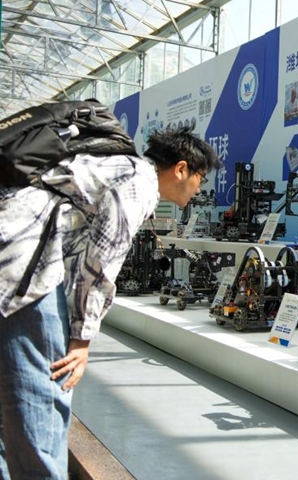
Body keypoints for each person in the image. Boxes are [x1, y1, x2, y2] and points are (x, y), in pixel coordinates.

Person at [0, 123, 221, 479]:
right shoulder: (138, 182)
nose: (199, 188)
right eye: (200, 178)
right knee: (45, 391)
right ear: (181, 169)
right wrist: (81, 339)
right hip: (21, 259)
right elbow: (102, 262)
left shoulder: (117, 168)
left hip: (14, 249)